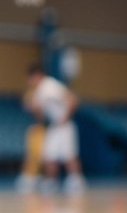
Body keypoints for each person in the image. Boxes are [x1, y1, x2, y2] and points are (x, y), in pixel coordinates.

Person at [24, 63, 84, 194]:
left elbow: (72, 99)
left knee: (69, 154)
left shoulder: (50, 85)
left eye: (31, 78)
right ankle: (51, 181)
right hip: (54, 126)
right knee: (49, 154)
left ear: (37, 75)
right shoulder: (39, 91)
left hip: (64, 125)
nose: (29, 82)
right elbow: (39, 113)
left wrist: (65, 117)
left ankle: (77, 180)